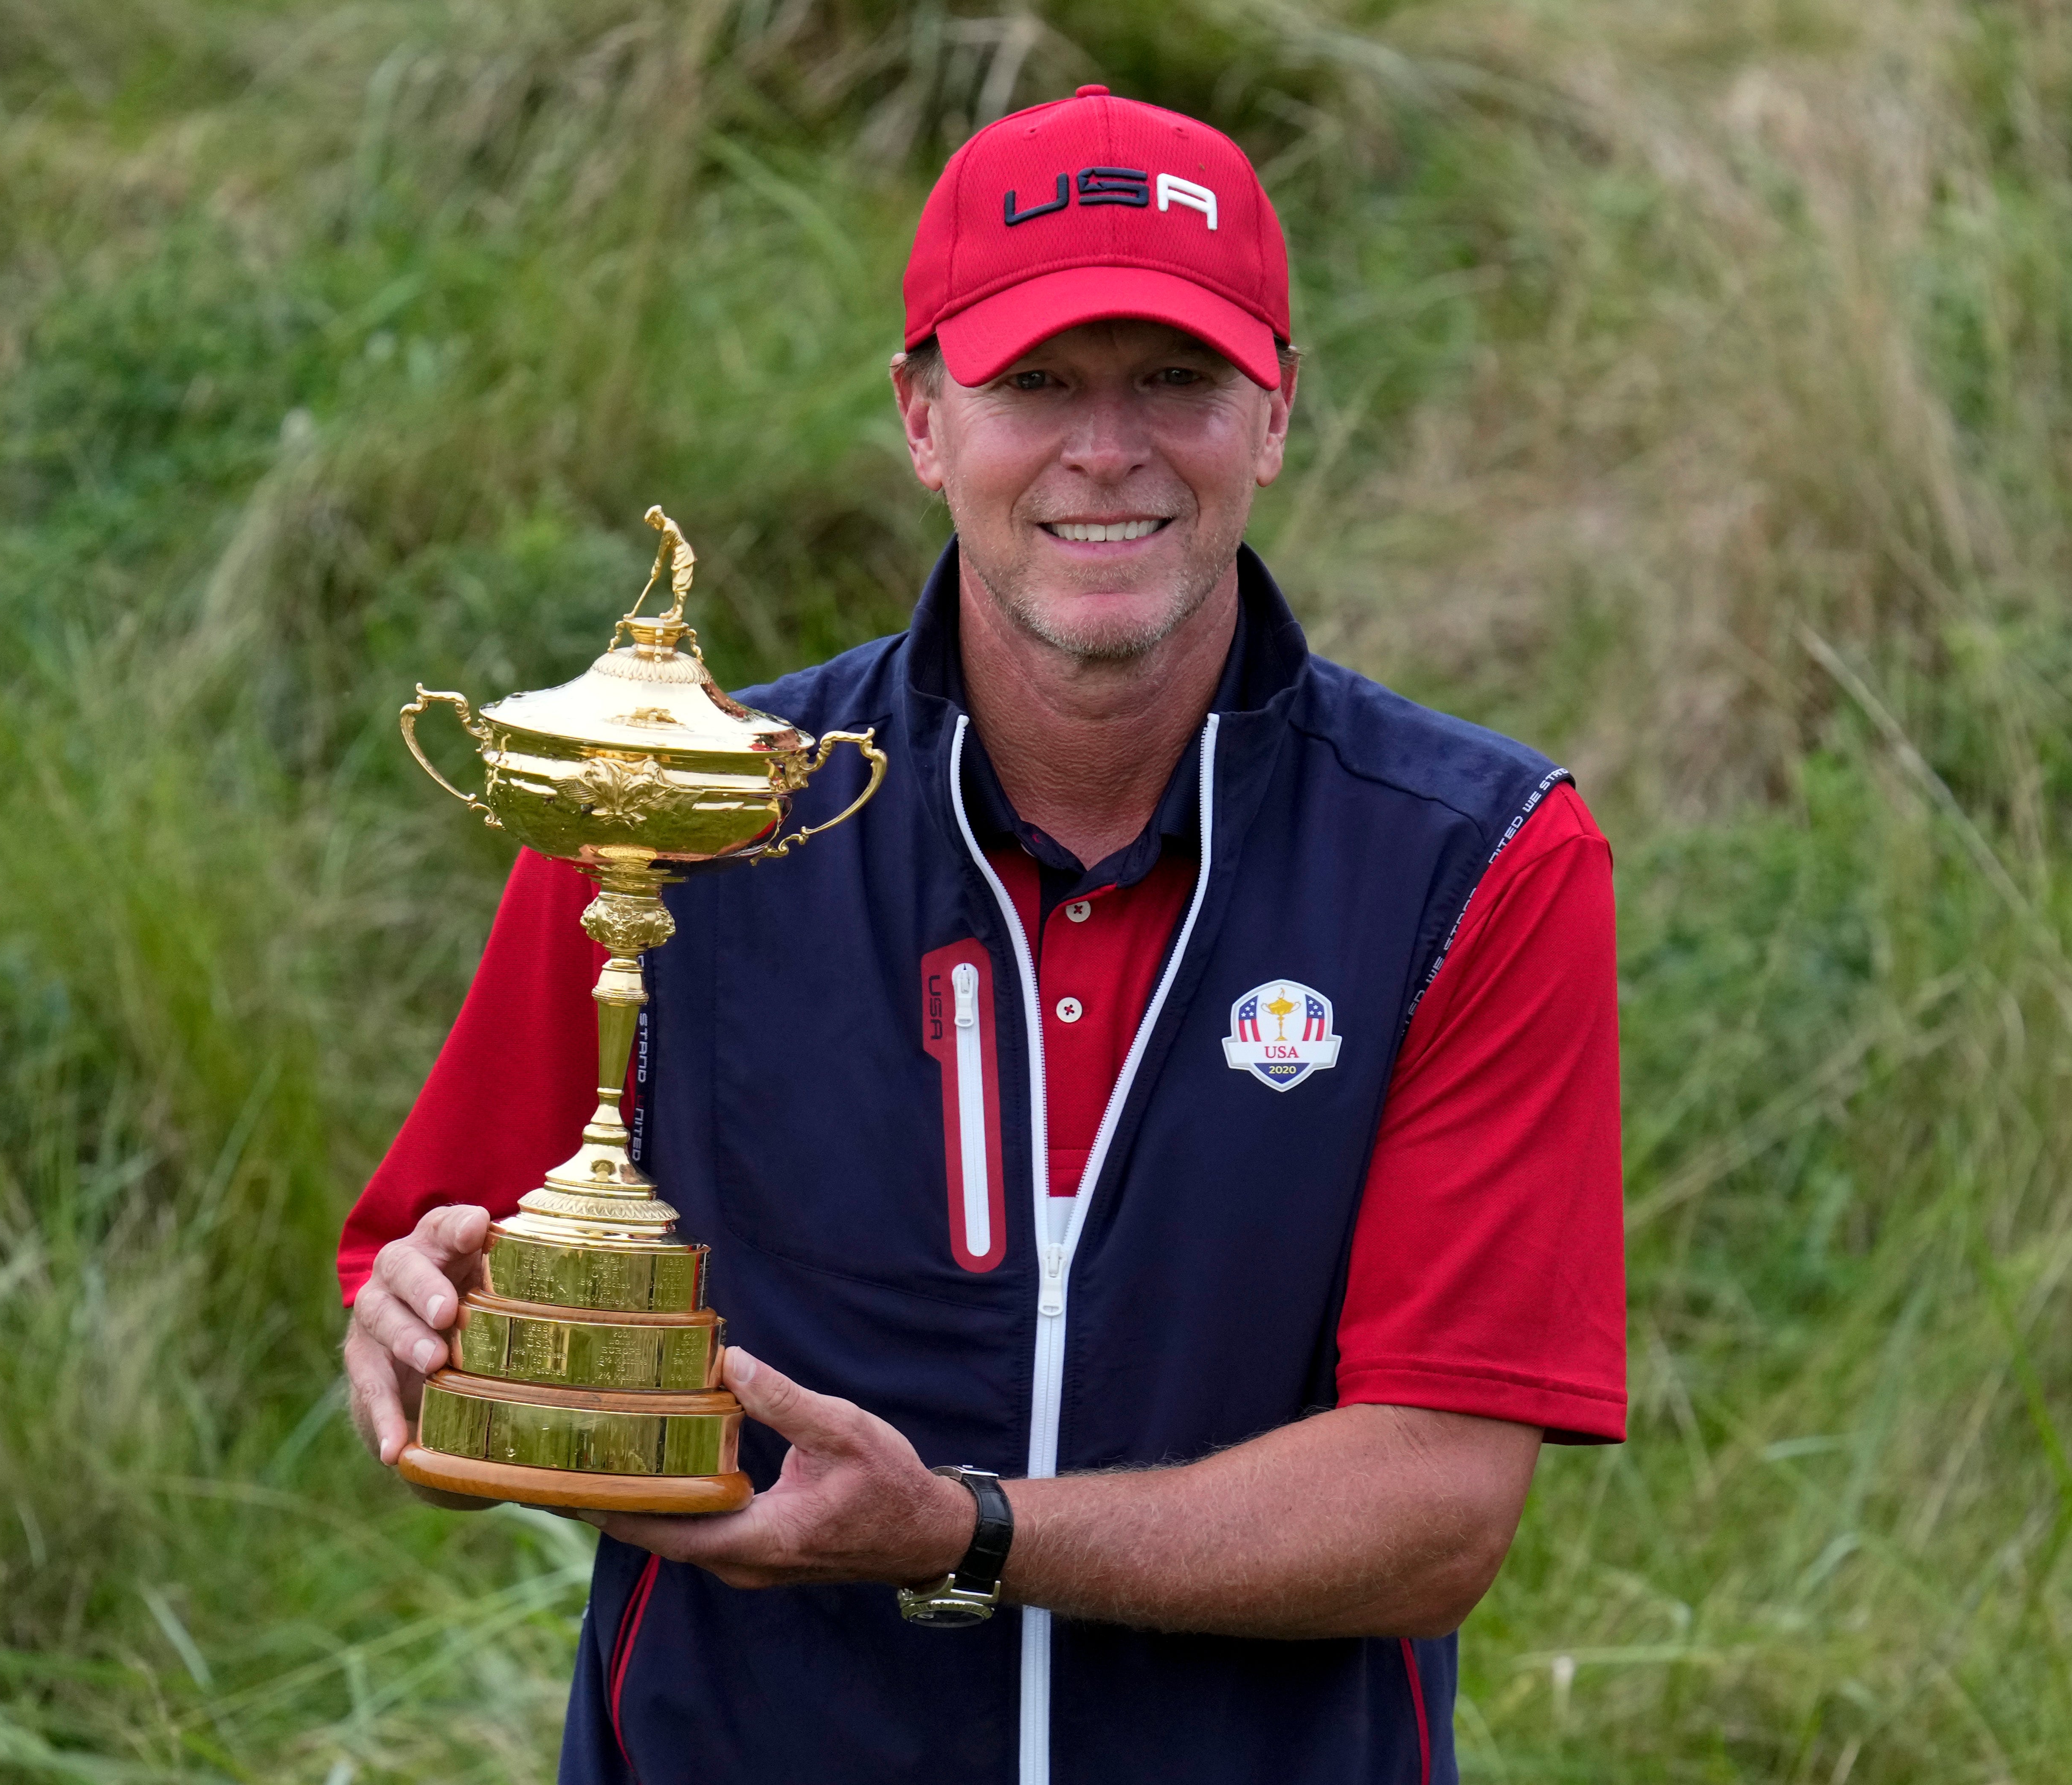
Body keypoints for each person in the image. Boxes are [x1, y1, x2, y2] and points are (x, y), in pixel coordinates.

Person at [338, 84, 1623, 1785]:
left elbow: (1439, 1501)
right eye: (1035, 382)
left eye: (1176, 379)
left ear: (1279, 414)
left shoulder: (1478, 861)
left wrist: (963, 1527)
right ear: (923, 416)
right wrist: (420, 1312)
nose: (1109, 449)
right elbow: (446, 1267)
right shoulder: (683, 806)